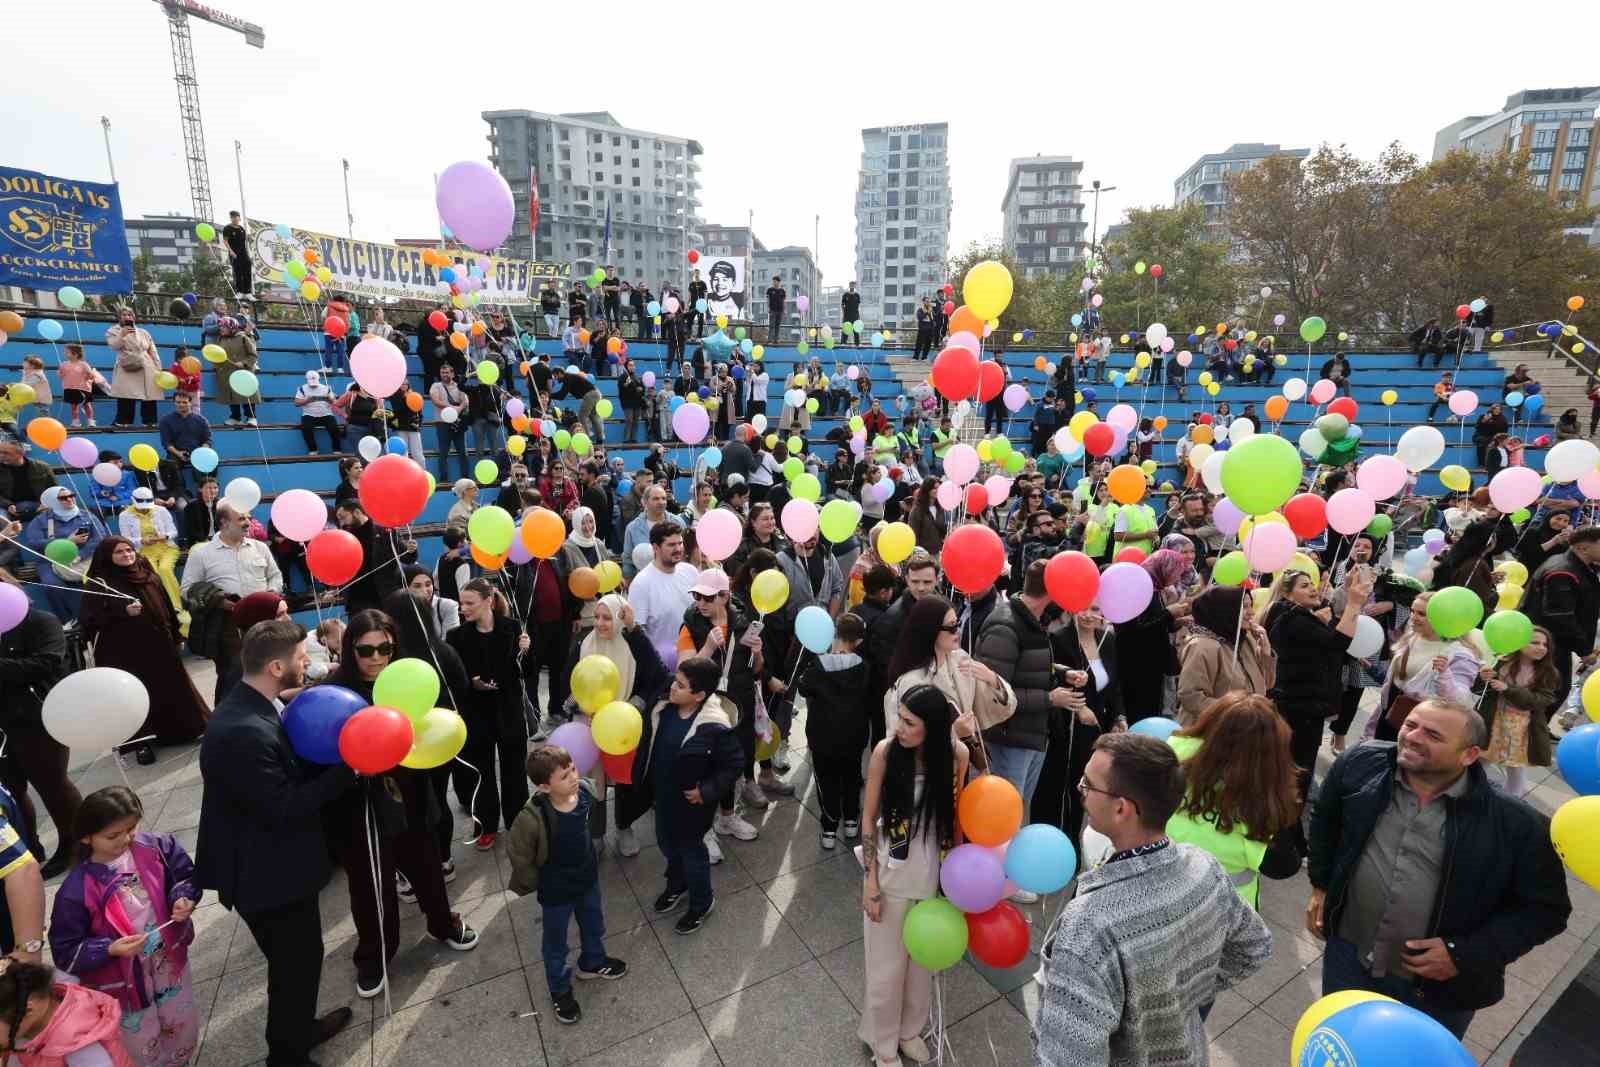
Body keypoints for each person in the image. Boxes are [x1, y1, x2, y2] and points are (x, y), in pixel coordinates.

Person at [1307, 700, 1572, 1039]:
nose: (1412, 737)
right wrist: (1320, 886)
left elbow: (1546, 911)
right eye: (1411, 725)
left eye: (1432, 734)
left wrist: (1465, 954)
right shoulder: (1361, 763)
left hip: (1436, 993)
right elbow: (1326, 819)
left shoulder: (1517, 825)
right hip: (1348, 959)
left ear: (1469, 755)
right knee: (1340, 1046)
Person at [1033, 733, 1272, 1065]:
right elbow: (1255, 946)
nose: (1080, 791)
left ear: (1121, 809)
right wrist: (1181, 1000)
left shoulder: (1088, 927)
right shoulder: (1204, 866)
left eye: (1088, 785)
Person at [195, 619, 356, 1066]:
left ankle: (300, 1029)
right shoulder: (243, 731)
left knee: (299, 960)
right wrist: (351, 767)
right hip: (265, 874)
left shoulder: (254, 702)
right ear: (276, 665)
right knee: (294, 966)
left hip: (270, 863)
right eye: (303, 657)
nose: (309, 663)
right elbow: (285, 807)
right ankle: (287, 1056)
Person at [323, 611, 478, 998]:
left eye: (384, 648)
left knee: (427, 867)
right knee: (370, 886)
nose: (376, 657)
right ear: (350, 649)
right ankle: (374, 956)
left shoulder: (407, 678)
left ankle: (442, 923)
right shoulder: (336, 692)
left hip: (410, 794)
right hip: (359, 806)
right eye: (365, 649)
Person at [48, 786, 201, 1066]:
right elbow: (65, 950)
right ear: (86, 837)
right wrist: (109, 948)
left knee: (180, 1021)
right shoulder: (75, 890)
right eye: (113, 835)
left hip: (168, 960)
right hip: (123, 980)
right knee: (141, 1039)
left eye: (131, 828)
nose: (126, 839)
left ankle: (180, 1061)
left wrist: (182, 897)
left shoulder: (157, 847)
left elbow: (185, 876)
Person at [859, 683, 970, 1067]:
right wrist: (870, 882)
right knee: (886, 970)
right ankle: (883, 1045)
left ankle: (910, 1030)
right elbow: (868, 820)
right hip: (891, 874)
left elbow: (954, 822)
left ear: (935, 727)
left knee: (922, 966)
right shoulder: (886, 753)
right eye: (899, 718)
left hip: (933, 874)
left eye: (909, 722)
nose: (899, 728)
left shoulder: (957, 755)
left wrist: (956, 878)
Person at [508, 745, 628, 1026]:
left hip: (586, 880)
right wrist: (535, 883)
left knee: (593, 923)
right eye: (564, 776)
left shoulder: (583, 792)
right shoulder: (531, 817)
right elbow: (520, 854)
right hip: (556, 892)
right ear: (544, 787)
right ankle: (560, 989)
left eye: (573, 769)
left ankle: (593, 962)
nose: (573, 776)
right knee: (555, 943)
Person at [631, 656, 743, 935]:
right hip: (663, 796)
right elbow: (650, 659)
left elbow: (733, 765)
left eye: (680, 686)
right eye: (675, 681)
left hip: (692, 805)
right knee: (666, 843)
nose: (672, 688)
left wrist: (706, 791)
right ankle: (677, 885)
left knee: (692, 852)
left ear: (699, 695)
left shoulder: (714, 726)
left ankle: (702, 902)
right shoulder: (667, 705)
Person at [1265, 566, 1372, 853]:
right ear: (1287, 594)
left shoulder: (1297, 615)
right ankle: (1286, 839)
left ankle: (1289, 831)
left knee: (1298, 772)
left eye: (1312, 582)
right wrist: (1353, 604)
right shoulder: (1291, 619)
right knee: (1297, 773)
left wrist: (1339, 603)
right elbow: (1337, 643)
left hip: (1304, 706)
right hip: (1299, 708)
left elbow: (1329, 635)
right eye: (1303, 585)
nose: (1313, 588)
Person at [1165, 694, 1300, 911]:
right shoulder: (1264, 796)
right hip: (1221, 916)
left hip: (1158, 890)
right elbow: (1283, 866)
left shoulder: (1175, 750)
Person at [974, 561, 1072, 838]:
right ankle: (996, 875)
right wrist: (1049, 699)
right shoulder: (1006, 625)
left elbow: (1025, 668)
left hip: (1029, 735)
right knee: (1005, 820)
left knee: (1017, 812)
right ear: (1052, 589)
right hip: (1008, 738)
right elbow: (992, 694)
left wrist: (1062, 672)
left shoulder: (1031, 617)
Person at [81, 537, 209, 745]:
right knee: (139, 696)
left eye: (129, 550)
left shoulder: (146, 572)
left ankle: (190, 730)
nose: (127, 555)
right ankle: (144, 743)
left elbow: (166, 604)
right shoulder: (100, 582)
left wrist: (176, 634)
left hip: (160, 644)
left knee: (174, 687)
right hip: (128, 653)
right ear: (107, 556)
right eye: (119, 552)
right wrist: (122, 613)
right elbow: (88, 621)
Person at [447, 579, 532, 851]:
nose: (463, 609)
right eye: (462, 603)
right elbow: (456, 680)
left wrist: (526, 652)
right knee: (481, 772)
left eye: (469, 603)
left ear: (488, 601)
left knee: (514, 770)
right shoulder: (456, 637)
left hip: (508, 708)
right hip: (476, 713)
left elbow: (526, 673)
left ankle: (518, 822)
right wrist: (472, 683)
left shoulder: (512, 628)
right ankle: (485, 825)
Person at [883, 596, 1007, 763]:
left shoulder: (960, 659)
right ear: (930, 630)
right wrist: (954, 731)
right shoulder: (910, 681)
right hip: (924, 777)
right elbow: (900, 743)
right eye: (951, 627)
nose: (957, 631)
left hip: (958, 769)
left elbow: (994, 708)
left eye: (957, 624)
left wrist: (993, 680)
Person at [797, 613, 869, 849]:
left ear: (834, 634)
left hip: (823, 738)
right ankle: (851, 821)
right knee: (852, 777)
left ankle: (829, 830)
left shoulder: (817, 666)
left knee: (826, 782)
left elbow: (803, 687)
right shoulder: (864, 668)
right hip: (854, 736)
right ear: (858, 641)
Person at [1522, 525, 1600, 712]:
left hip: (1554, 641)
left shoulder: (1580, 567)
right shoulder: (1563, 571)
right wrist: (1583, 649)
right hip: (1546, 642)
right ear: (1583, 548)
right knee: (1551, 691)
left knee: (1551, 690)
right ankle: (1531, 734)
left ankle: (1535, 731)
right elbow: (1560, 616)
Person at [1477, 625, 1561, 797]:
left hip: (1521, 728)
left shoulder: (1547, 672)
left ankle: (1512, 800)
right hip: (1493, 720)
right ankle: (1472, 793)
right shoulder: (1502, 662)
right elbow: (1480, 690)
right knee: (1482, 759)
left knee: (1515, 768)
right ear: (1519, 643)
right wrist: (1483, 678)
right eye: (1534, 643)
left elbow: (1540, 701)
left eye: (1545, 645)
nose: (1541, 648)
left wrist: (1508, 689)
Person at [1176, 585, 1276, 723]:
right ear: (1225, 610)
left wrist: (1265, 652)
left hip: (1244, 729)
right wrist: (1237, 713)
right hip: (1213, 733)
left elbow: (1267, 685)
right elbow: (1191, 696)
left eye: (1251, 605)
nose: (1251, 612)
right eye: (1244, 607)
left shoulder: (1245, 639)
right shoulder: (1203, 646)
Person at [1114, 550, 1190, 722]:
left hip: (1151, 663)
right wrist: (1169, 614)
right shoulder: (1139, 590)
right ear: (1163, 568)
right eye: (1175, 572)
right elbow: (1135, 630)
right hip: (1138, 665)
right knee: (1141, 711)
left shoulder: (1154, 589)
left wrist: (1178, 621)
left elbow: (1155, 626)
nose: (1176, 578)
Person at [23, 487, 107, 621]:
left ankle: (105, 614)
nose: (69, 499)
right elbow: (33, 543)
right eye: (63, 498)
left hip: (85, 557)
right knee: (53, 586)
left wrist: (81, 555)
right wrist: (67, 541)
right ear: (53, 502)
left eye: (71, 495)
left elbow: (100, 537)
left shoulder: (87, 515)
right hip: (50, 560)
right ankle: (67, 620)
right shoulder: (41, 520)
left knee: (105, 579)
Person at [630, 522, 699, 671]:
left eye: (680, 543)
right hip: (662, 668)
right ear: (655, 548)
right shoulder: (641, 584)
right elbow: (637, 634)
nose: (678, 549)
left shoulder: (691, 572)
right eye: (671, 545)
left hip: (694, 662)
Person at [106, 308, 161, 427]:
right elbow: (114, 346)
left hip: (146, 365)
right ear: (119, 317)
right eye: (124, 315)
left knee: (149, 394)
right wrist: (122, 334)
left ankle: (150, 421)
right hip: (126, 365)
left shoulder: (144, 332)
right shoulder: (112, 331)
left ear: (134, 317)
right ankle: (123, 421)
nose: (127, 317)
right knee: (126, 395)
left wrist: (158, 367)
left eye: (130, 314)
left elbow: (153, 350)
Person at [213, 317, 259, 426]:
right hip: (227, 372)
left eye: (224, 326)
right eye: (220, 327)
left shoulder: (243, 337)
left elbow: (253, 355)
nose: (221, 329)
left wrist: (243, 363)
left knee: (246, 393)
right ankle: (235, 417)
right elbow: (218, 356)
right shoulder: (220, 339)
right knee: (231, 395)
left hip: (244, 372)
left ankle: (251, 417)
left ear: (231, 327)